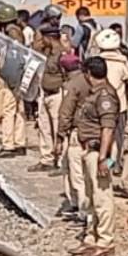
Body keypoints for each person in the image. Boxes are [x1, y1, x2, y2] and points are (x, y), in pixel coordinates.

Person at [72, 57, 119, 256]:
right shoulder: (96, 94)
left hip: (100, 151)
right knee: (91, 197)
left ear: (89, 74)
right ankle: (91, 236)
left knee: (102, 196)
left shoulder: (105, 95)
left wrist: (103, 158)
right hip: (89, 150)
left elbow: (108, 128)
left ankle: (105, 240)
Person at [94, 29, 128, 194]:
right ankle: (113, 165)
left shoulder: (95, 61)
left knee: (102, 137)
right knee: (117, 140)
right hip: (119, 107)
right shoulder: (122, 61)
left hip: (99, 106)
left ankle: (102, 165)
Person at [53, 53, 90, 220]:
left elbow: (65, 113)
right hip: (93, 133)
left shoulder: (71, 85)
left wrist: (60, 137)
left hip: (76, 134)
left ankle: (81, 211)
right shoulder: (91, 80)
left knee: (75, 174)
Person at [0, 5, 28, 158]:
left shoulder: (10, 35)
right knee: (19, 111)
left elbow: (12, 57)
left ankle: (8, 145)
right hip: (19, 76)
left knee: (8, 110)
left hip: (12, 77)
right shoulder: (19, 33)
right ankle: (19, 142)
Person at [31, 26, 66, 171]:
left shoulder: (62, 54)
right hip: (45, 94)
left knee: (59, 129)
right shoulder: (45, 53)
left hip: (58, 94)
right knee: (44, 128)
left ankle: (61, 161)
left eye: (43, 38)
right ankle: (47, 159)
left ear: (50, 38)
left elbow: (67, 76)